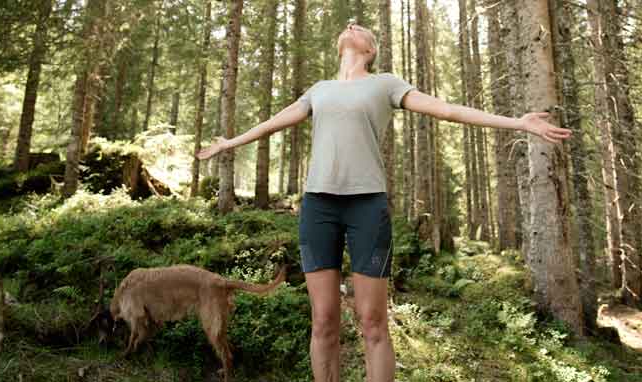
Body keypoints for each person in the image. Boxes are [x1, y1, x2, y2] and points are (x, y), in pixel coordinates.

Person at [196, 22, 571, 382]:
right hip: (318, 208)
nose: (352, 24)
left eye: (361, 29)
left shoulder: (386, 84)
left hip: (366, 209)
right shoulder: (319, 89)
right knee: (323, 319)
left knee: (372, 320)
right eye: (349, 27)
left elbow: (449, 110)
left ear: (371, 49)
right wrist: (230, 143)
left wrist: (517, 123)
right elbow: (273, 123)